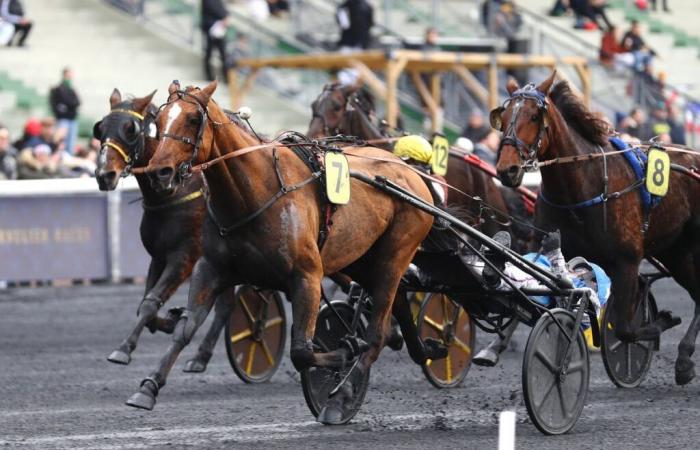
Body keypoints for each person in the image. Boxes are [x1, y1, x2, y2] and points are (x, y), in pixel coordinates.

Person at [49, 68, 80, 154]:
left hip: (72, 119)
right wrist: (68, 105)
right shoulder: (58, 89)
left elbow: (77, 102)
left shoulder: (72, 89)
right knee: (62, 141)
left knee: (71, 143)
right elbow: (57, 103)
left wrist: (68, 105)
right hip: (63, 119)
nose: (69, 78)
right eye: (68, 75)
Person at [201, 0, 229, 81]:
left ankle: (226, 77)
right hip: (210, 27)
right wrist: (224, 16)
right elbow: (213, 8)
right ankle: (209, 77)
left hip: (219, 29)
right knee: (208, 54)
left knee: (223, 54)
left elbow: (223, 8)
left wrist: (226, 17)